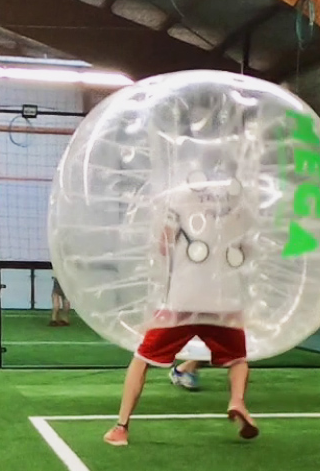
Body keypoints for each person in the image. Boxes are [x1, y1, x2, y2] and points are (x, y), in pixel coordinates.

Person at [104, 181, 259, 446]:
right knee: (237, 358)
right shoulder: (239, 198)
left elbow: (164, 245)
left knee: (142, 358)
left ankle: (121, 427)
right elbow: (248, 249)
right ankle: (237, 400)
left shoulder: (178, 197)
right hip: (225, 296)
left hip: (183, 296)